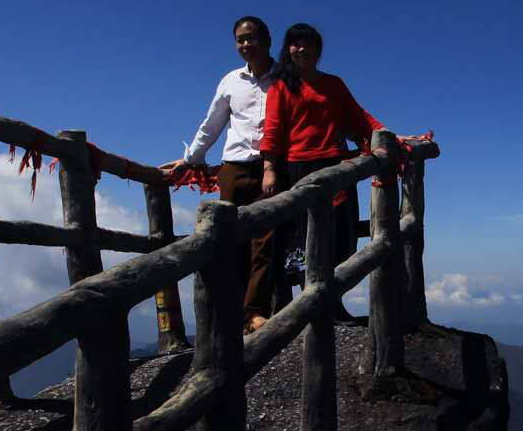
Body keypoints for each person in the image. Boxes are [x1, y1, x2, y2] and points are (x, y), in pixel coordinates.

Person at [159, 16, 283, 330]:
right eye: (240, 39)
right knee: (233, 242)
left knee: (266, 240)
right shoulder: (230, 81)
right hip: (234, 169)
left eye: (251, 38)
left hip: (274, 168)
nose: (245, 45)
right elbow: (212, 123)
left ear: (267, 40)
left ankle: (253, 312)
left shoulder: (285, 78)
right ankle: (237, 311)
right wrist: (190, 159)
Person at [258, 23, 388, 318]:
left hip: (335, 166)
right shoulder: (281, 85)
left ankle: (330, 298)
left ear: (318, 50)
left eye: (308, 44)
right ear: (287, 48)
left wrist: (388, 134)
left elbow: (359, 117)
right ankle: (310, 304)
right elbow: (273, 129)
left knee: (340, 236)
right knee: (301, 238)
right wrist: (270, 169)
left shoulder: (334, 84)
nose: (301, 49)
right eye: (295, 43)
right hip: (297, 168)